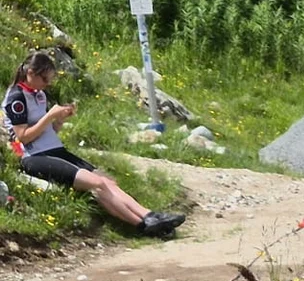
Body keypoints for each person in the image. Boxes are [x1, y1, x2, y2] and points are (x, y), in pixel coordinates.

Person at [3, 51, 183, 237]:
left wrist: (59, 120)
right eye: (45, 79)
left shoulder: (39, 94)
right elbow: (23, 137)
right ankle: (143, 226)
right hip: (32, 156)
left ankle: (150, 215)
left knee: (107, 181)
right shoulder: (16, 97)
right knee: (97, 183)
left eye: (50, 80)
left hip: (54, 149)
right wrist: (50, 116)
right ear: (30, 73)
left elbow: (47, 131)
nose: (47, 84)